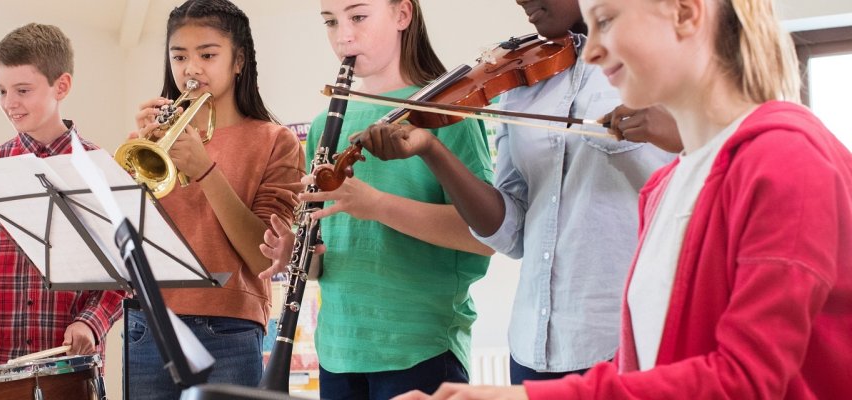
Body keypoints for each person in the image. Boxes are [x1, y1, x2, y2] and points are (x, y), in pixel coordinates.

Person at [398, 0, 852, 398]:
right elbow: (655, 366)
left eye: (607, 21)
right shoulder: (666, 187)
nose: (589, 50)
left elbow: (745, 382)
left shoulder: (786, 161)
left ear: (685, 11)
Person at [352, 0, 677, 384]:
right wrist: (431, 150)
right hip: (531, 348)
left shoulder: (663, 58)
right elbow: (511, 233)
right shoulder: (522, 83)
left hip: (628, 339)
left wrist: (675, 131)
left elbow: (721, 159)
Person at [263, 0, 495, 398]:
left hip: (420, 348)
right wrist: (297, 253)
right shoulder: (325, 126)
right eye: (331, 22)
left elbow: (485, 235)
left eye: (358, 17)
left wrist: (378, 206)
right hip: (339, 350)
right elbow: (326, 261)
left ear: (403, 15)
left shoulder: (448, 112)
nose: (343, 36)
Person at [120, 0, 306, 398]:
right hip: (147, 323)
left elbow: (262, 258)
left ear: (238, 61)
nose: (191, 69)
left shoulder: (276, 142)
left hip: (228, 328)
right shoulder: (152, 140)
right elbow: (120, 234)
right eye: (179, 56)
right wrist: (134, 156)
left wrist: (204, 169)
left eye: (207, 54)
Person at [0, 23, 125, 368]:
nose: (9, 103)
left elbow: (122, 273)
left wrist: (91, 321)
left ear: (62, 86)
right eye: (1, 91)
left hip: (70, 369)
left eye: (22, 90)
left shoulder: (102, 170)